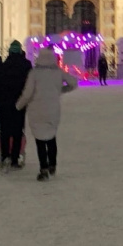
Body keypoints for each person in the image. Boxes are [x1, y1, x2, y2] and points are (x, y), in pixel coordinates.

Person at [17, 50, 77, 181]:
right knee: (51, 138)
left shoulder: (34, 73)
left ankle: (43, 169)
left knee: (40, 141)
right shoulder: (58, 72)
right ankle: (52, 165)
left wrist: (19, 105)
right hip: (53, 109)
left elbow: (27, 93)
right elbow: (73, 82)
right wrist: (61, 90)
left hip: (36, 110)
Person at [0, 41, 33, 170]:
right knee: (17, 131)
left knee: (4, 130)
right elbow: (30, 85)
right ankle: (15, 158)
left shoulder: (3, 66)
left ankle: (5, 156)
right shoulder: (26, 65)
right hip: (20, 103)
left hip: (4, 103)